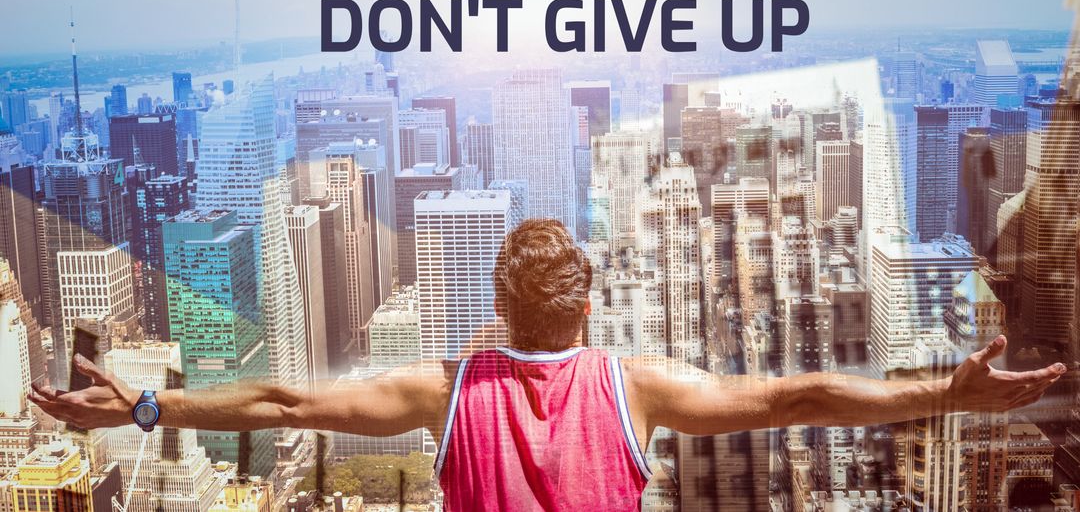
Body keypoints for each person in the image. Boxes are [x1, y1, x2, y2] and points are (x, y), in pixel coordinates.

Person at [30, 218, 1066, 510]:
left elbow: (287, 394)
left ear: (494, 309)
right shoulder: (639, 385)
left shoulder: (446, 389)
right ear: (590, 306)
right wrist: (944, 389)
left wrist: (152, 404)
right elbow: (798, 393)